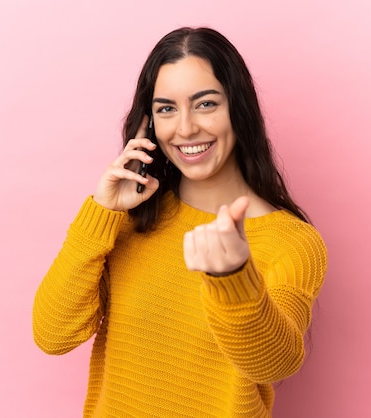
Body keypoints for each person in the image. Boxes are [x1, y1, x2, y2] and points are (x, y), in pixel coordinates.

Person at [32, 26, 327, 418]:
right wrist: (100, 213)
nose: (186, 128)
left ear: (239, 109)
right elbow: (53, 335)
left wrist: (234, 278)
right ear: (149, 123)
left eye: (205, 104)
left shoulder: (292, 242)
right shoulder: (130, 219)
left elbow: (276, 364)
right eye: (166, 108)